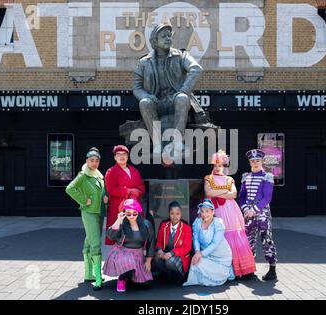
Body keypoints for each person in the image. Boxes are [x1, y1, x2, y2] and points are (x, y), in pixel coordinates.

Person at [133, 23, 216, 157]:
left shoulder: (181, 55)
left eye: (169, 35)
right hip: (157, 103)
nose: (168, 38)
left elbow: (196, 69)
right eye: (163, 36)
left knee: (183, 98)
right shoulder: (144, 62)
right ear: (155, 41)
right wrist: (147, 96)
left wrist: (183, 90)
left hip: (175, 101)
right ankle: (157, 144)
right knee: (144, 102)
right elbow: (136, 87)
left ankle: (178, 141)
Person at [204, 150, 256, 278]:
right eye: (215, 165)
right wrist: (224, 193)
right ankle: (224, 272)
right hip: (215, 212)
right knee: (219, 236)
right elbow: (208, 192)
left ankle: (242, 270)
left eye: (220, 165)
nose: (217, 168)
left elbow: (234, 194)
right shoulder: (208, 178)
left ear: (224, 166)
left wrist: (217, 191)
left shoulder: (229, 179)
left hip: (231, 212)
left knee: (234, 235)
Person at [65, 147, 108, 290]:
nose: (94, 163)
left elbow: (101, 191)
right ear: (87, 161)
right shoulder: (83, 175)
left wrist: (105, 197)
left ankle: (88, 274)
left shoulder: (98, 175)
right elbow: (70, 188)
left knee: (89, 241)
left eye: (96, 160)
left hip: (99, 212)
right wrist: (83, 200)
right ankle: (97, 278)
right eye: (92, 160)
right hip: (89, 212)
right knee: (95, 242)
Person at [239, 149, 278, 281]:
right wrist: (245, 209)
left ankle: (272, 270)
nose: (255, 163)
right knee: (249, 241)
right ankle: (249, 270)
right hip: (248, 215)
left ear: (262, 161)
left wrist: (253, 210)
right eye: (252, 161)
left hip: (262, 214)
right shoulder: (246, 177)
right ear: (249, 162)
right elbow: (241, 197)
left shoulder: (267, 176)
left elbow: (267, 198)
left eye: (257, 160)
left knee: (266, 240)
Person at [103, 198, 155, 293]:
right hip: (122, 253)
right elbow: (110, 236)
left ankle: (130, 276)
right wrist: (118, 220)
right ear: (124, 213)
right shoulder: (122, 224)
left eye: (134, 213)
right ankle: (122, 279)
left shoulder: (146, 224)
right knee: (128, 263)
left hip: (138, 255)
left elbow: (151, 242)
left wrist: (148, 260)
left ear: (138, 212)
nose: (131, 216)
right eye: (128, 213)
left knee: (146, 285)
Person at [183, 199, 235, 287]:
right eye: (202, 211)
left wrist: (200, 254)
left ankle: (227, 271)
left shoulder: (218, 223)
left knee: (198, 260)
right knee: (196, 262)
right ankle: (201, 279)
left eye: (207, 211)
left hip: (221, 256)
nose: (204, 214)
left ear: (212, 212)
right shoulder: (197, 222)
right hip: (206, 255)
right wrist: (197, 252)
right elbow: (195, 239)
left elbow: (215, 244)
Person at [104, 145, 145, 245]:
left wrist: (138, 192)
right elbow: (111, 190)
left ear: (128, 156)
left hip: (135, 206)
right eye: (119, 154)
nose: (122, 156)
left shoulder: (135, 171)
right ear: (115, 157)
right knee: (119, 234)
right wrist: (129, 191)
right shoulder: (111, 172)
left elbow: (141, 187)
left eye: (124, 154)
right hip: (119, 206)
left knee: (136, 231)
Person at [153, 201, 192, 284]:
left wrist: (171, 253)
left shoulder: (186, 228)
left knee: (169, 262)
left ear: (181, 214)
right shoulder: (164, 225)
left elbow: (186, 247)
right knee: (156, 258)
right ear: (169, 214)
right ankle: (168, 275)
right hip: (166, 254)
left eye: (177, 214)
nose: (175, 216)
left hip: (179, 256)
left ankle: (179, 276)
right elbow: (159, 242)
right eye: (172, 213)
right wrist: (159, 250)